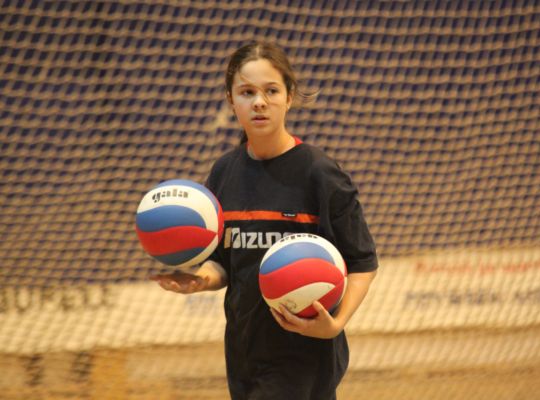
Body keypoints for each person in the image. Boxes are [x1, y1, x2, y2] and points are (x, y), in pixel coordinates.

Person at [150, 41, 378, 400]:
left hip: (303, 354)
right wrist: (200, 280)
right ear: (231, 100)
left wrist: (335, 324)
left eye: (271, 91)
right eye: (247, 92)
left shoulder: (319, 173)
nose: (259, 102)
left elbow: (363, 262)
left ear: (289, 97)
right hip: (243, 351)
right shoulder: (224, 172)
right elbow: (225, 263)